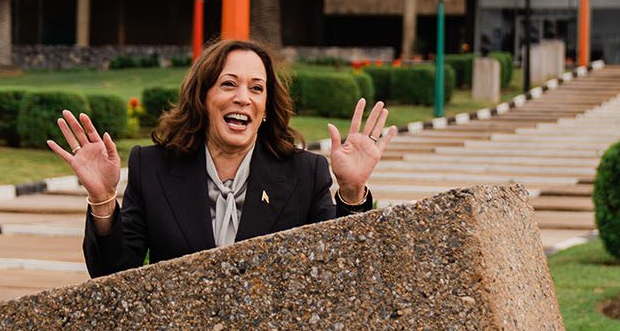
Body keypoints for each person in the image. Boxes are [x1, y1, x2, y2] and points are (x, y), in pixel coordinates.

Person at [51, 39, 393, 278]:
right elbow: (113, 276)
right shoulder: (152, 167)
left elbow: (338, 271)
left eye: (256, 88)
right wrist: (102, 200)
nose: (243, 98)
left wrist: (351, 192)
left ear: (265, 110)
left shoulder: (305, 172)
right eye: (228, 84)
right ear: (203, 97)